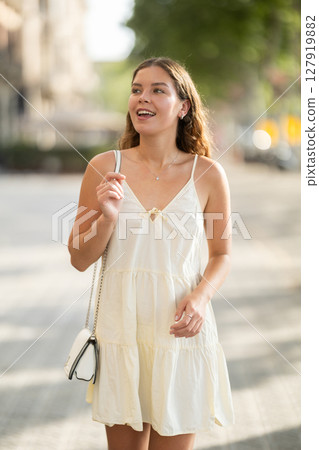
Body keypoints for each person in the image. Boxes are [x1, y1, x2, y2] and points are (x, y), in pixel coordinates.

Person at [68, 57, 235, 450]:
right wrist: (107, 218)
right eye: (137, 89)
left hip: (180, 333)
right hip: (121, 331)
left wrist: (200, 297)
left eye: (158, 90)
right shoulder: (104, 167)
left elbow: (222, 254)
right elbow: (78, 259)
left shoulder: (208, 174)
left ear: (183, 106)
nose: (143, 97)